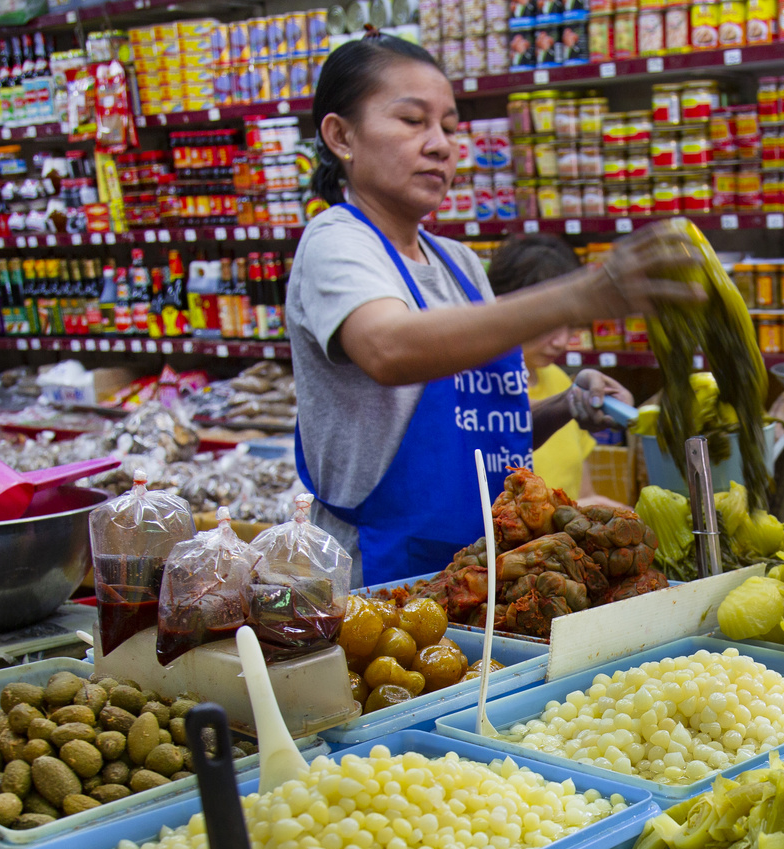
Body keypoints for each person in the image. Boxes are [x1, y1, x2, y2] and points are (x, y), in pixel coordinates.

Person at [288, 34, 700, 586]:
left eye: (450, 128)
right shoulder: (335, 241)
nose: (440, 145)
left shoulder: (458, 263)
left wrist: (565, 407)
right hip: (377, 576)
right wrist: (582, 294)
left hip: (477, 571)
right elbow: (387, 347)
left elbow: (472, 436)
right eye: (413, 121)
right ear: (341, 135)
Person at [484, 234, 625, 498]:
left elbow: (582, 495)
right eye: (547, 322)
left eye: (570, 322)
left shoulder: (561, 381)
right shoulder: (476, 393)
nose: (561, 340)